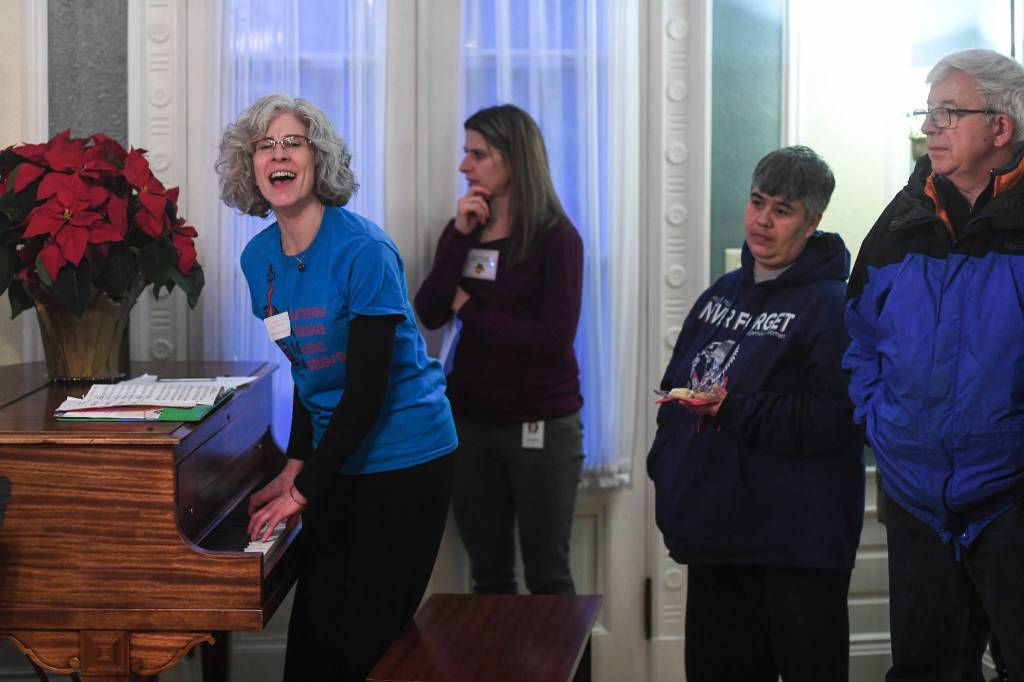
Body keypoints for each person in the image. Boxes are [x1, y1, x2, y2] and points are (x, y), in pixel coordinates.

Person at [216, 94, 458, 682]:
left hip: (406, 459)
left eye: (292, 143)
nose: (278, 155)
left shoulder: (363, 251)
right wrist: (297, 464)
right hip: (336, 458)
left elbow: (365, 392)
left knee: (366, 651)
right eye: (264, 146)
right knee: (312, 649)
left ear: (318, 160)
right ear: (249, 167)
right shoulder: (258, 260)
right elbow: (310, 371)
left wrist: (303, 490)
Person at [647, 146, 865, 681]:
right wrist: (668, 464)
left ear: (813, 221)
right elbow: (674, 388)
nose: (762, 221)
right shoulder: (721, 294)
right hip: (716, 534)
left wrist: (734, 409)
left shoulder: (834, 306)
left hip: (796, 546)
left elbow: (837, 417)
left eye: (782, 210)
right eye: (756, 202)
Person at [844, 48, 1024, 681]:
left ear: (1000, 128)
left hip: (1012, 502)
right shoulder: (899, 221)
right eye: (929, 112)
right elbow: (860, 338)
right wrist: (881, 425)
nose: (929, 128)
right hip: (916, 497)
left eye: (948, 112)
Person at [414, 104, 584, 595]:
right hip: (470, 424)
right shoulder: (465, 229)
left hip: (541, 426)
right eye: (466, 153)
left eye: (477, 154)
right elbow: (429, 310)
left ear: (513, 159)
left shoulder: (557, 240)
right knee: (489, 578)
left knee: (549, 577)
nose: (464, 166)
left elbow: (552, 342)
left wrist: (470, 309)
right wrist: (459, 237)